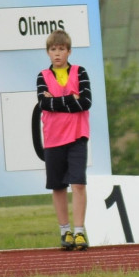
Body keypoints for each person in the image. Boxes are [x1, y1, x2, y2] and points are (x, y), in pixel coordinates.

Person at [37, 29, 92, 251]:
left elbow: (86, 102)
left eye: (61, 49)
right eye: (53, 49)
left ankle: (79, 232)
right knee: (58, 186)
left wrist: (58, 101)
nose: (57, 53)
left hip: (78, 136)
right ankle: (65, 231)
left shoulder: (80, 72)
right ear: (48, 53)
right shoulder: (43, 76)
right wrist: (71, 98)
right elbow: (44, 104)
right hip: (53, 138)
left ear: (69, 51)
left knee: (78, 183)